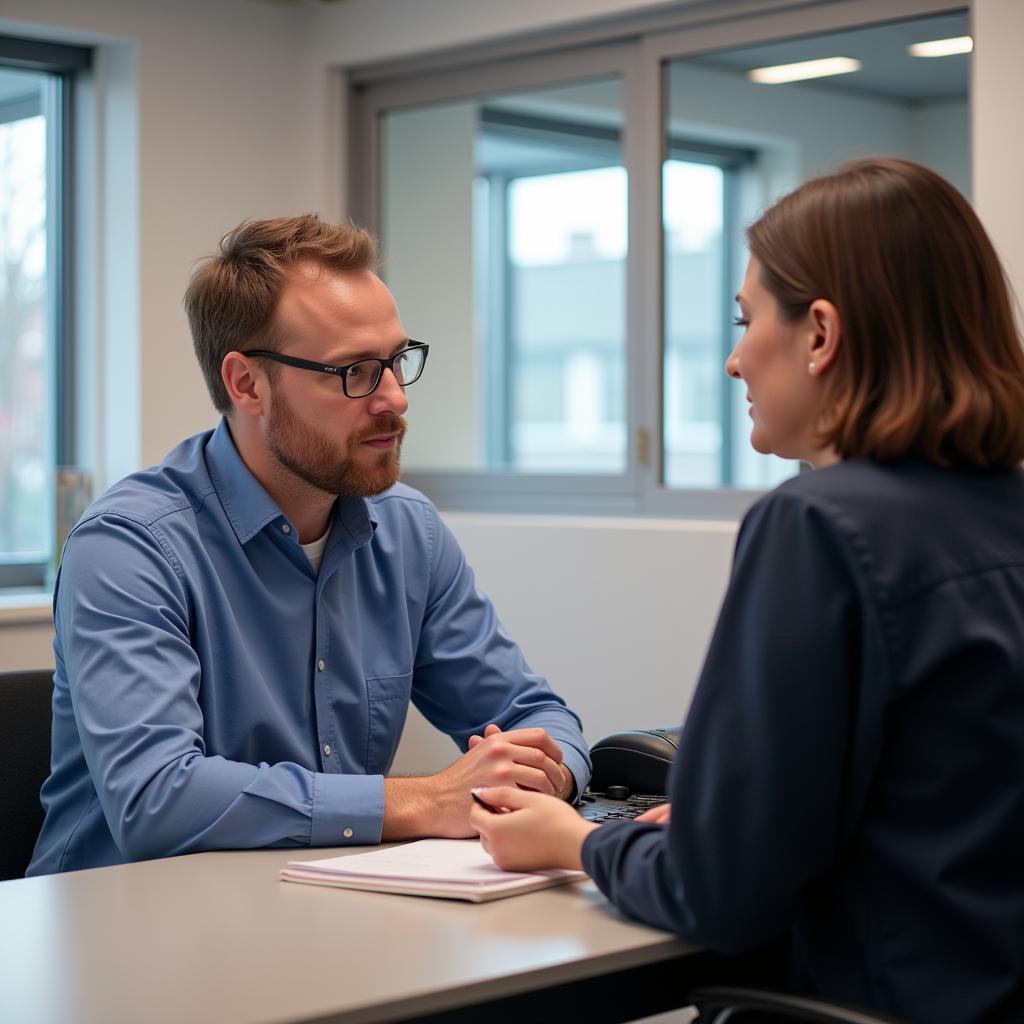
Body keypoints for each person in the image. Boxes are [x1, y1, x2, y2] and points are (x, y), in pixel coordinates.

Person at [470, 158, 1024, 1024]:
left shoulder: (818, 525)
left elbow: (719, 893)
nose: (732, 361)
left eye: (746, 319)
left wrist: (581, 843)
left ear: (821, 334)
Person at [28, 215, 590, 876]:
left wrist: (547, 778)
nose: (394, 399)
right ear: (247, 385)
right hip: (121, 933)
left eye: (396, 361)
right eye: (354, 371)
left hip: (322, 911)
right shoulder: (128, 548)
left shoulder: (408, 531)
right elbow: (158, 799)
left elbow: (531, 711)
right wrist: (421, 800)